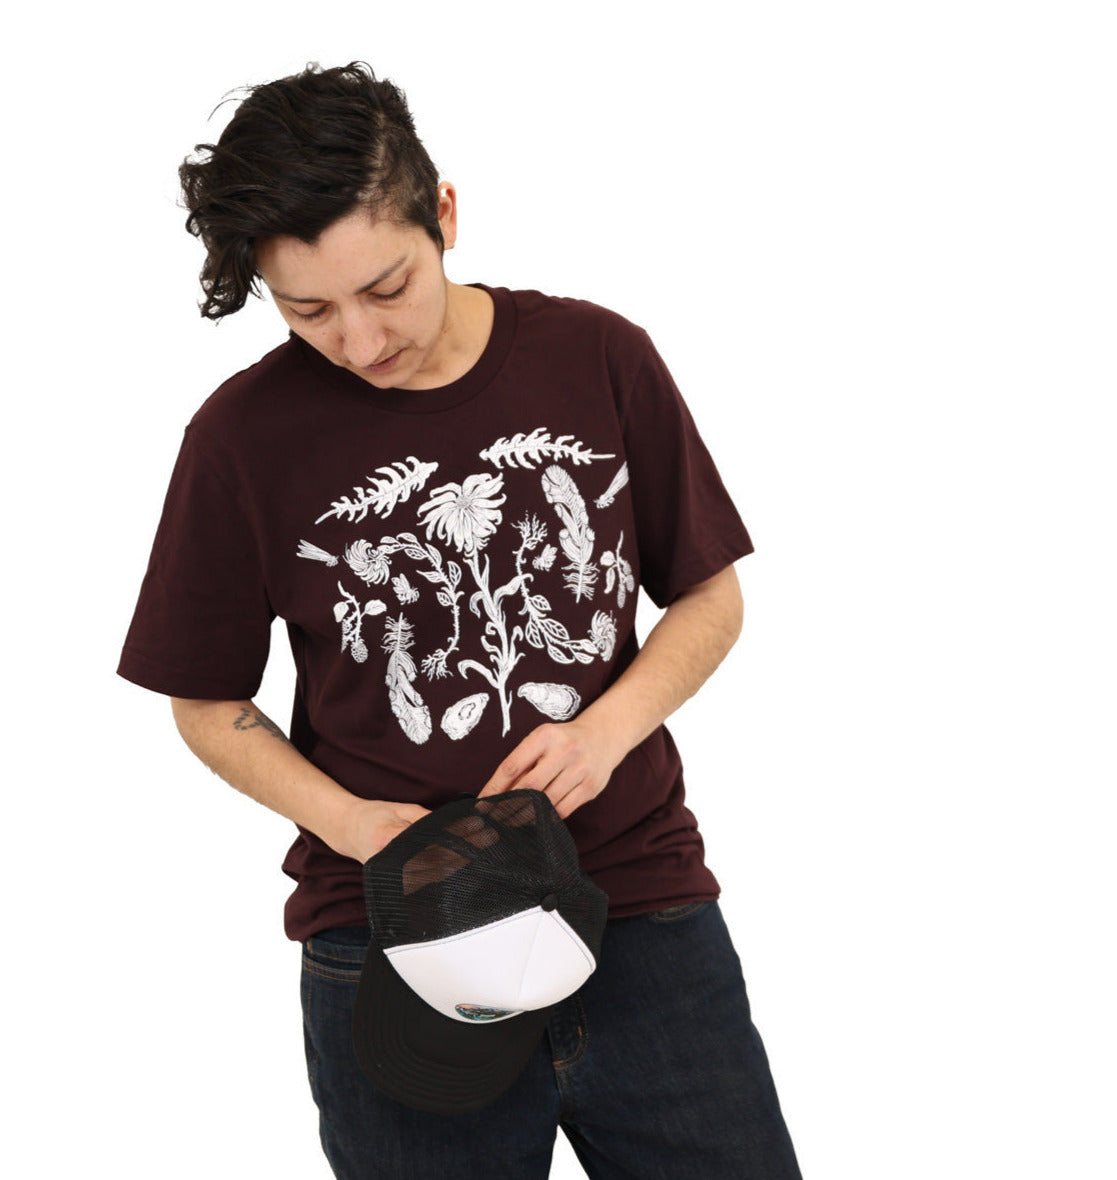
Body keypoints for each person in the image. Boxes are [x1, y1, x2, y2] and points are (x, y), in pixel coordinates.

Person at [119, 61, 804, 1179]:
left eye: (385, 288)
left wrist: (605, 731)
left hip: (635, 905)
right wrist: (355, 826)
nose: (360, 341)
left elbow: (709, 594)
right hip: (393, 933)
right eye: (307, 311)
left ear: (442, 213)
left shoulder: (599, 357)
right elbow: (204, 700)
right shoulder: (240, 437)